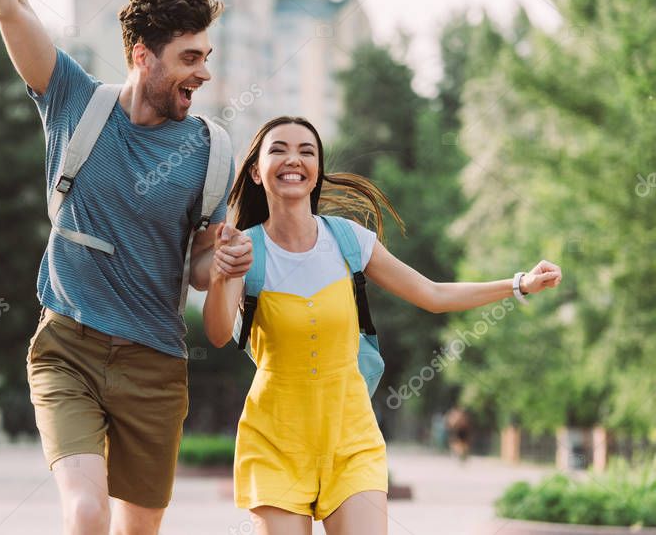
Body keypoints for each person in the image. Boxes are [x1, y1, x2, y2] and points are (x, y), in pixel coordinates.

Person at [0, 0, 254, 534]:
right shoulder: (75, 101)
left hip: (155, 365)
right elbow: (8, 4)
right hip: (66, 346)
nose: (203, 72)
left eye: (206, 57)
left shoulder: (211, 151)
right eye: (189, 57)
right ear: (142, 55)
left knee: (137, 529)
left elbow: (191, 268)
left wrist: (215, 267)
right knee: (85, 510)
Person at [203, 116, 562, 535]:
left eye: (307, 151)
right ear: (255, 170)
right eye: (278, 149)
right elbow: (215, 332)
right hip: (274, 441)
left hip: (350, 438)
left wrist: (518, 284)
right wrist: (220, 275)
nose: (293, 159)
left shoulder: (349, 240)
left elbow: (433, 295)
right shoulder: (242, 248)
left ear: (317, 169)